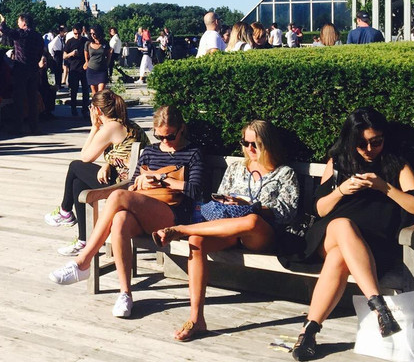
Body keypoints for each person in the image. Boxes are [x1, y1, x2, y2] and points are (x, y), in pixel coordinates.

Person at [288, 108, 414, 361]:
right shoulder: (338, 162)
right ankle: (379, 306)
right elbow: (319, 209)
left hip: (371, 246)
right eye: (362, 144)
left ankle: (309, 332)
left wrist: (384, 186)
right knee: (343, 225)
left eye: (376, 142)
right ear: (350, 140)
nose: (369, 149)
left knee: (340, 257)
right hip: (328, 235)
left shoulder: (396, 165)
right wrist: (341, 190)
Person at [153, 119, 300, 341]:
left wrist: (252, 206)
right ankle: (196, 319)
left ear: (268, 144)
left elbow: (287, 213)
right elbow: (219, 198)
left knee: (252, 220)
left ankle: (181, 229)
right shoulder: (236, 168)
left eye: (255, 144)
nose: (249, 149)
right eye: (245, 143)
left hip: (262, 234)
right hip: (230, 229)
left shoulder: (284, 173)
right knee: (196, 240)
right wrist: (228, 201)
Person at [49, 105, 196, 319]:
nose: (165, 141)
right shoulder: (150, 152)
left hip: (174, 215)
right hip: (145, 210)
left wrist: (162, 179)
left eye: (170, 136)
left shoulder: (192, 153)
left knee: (117, 196)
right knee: (119, 220)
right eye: (159, 136)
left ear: (181, 129)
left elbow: (197, 190)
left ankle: (83, 261)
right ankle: (125, 294)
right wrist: (136, 180)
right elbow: (131, 185)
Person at [45, 91, 150, 251]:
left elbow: (85, 157)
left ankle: (65, 211)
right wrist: (107, 164)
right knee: (78, 181)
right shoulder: (128, 124)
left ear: (97, 110)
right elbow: (123, 155)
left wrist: (94, 127)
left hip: (123, 186)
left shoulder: (110, 127)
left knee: (75, 166)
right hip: (131, 179)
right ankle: (83, 239)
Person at [0, 12, 46, 132]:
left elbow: (3, 29)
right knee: (32, 98)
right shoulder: (37, 36)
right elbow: (41, 51)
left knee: (18, 98)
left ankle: (18, 126)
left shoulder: (20, 34)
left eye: (19, 21)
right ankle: (34, 126)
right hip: (33, 69)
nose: (17, 23)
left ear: (24, 23)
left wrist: (3, 20)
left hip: (21, 68)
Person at [63, 23, 89, 113]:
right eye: (75, 33)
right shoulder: (70, 41)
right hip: (74, 68)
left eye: (79, 33)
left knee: (85, 90)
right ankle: (73, 108)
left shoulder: (86, 41)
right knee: (74, 90)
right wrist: (71, 54)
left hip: (84, 68)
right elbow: (64, 55)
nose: (77, 35)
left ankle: (85, 108)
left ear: (82, 31)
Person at [84, 25, 110, 94]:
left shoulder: (105, 43)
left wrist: (107, 64)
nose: (92, 35)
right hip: (91, 69)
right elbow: (86, 54)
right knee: (94, 93)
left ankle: (100, 101)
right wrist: (87, 62)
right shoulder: (88, 43)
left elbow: (109, 54)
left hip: (102, 70)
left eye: (94, 33)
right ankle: (94, 101)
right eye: (91, 33)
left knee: (100, 92)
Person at [47, 26, 66, 91]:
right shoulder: (56, 39)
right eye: (63, 32)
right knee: (57, 70)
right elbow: (50, 46)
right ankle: (57, 84)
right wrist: (53, 54)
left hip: (60, 53)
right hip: (57, 54)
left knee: (60, 70)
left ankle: (59, 84)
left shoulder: (61, 38)